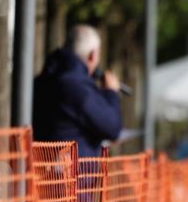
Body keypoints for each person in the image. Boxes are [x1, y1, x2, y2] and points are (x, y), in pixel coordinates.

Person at [32, 24, 123, 158]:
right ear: (92, 55)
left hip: (44, 165)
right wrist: (111, 93)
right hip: (71, 169)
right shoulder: (77, 86)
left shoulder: (45, 78)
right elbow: (112, 127)